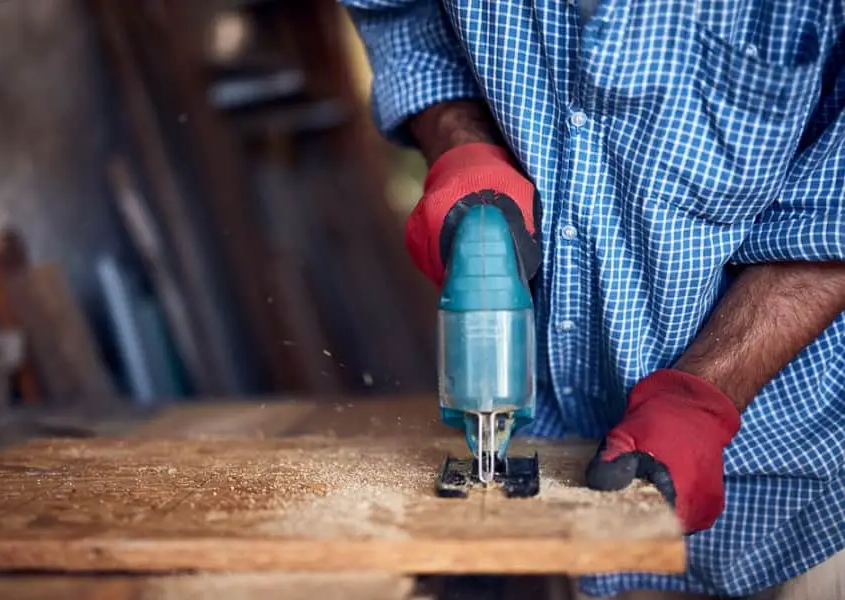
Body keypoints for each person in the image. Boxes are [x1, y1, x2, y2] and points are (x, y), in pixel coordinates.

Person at [340, 0, 845, 598]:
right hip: (557, 460)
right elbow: (400, 17)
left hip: (778, 482)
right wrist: (460, 144)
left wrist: (704, 397)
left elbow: (832, 213)